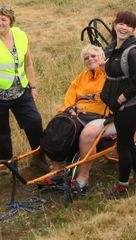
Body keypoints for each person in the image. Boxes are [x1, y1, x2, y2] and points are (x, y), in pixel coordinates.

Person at [0, 6, 47, 171]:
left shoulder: (20, 36)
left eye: (3, 20)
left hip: (20, 91)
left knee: (34, 122)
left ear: (11, 22)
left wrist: (33, 86)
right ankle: (5, 164)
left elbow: (28, 63)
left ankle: (39, 157)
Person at [45, 44, 113, 194]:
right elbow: (70, 96)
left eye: (94, 56)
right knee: (57, 125)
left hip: (100, 115)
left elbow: (113, 92)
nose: (90, 59)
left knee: (87, 135)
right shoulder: (82, 77)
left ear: (102, 57)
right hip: (78, 114)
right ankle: (58, 171)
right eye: (87, 58)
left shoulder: (109, 73)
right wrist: (69, 110)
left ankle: (83, 177)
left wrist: (105, 69)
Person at [102, 11, 136, 198]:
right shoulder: (113, 48)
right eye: (121, 23)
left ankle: (122, 186)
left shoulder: (132, 52)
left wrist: (118, 101)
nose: (124, 27)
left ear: (133, 29)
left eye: (129, 25)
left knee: (123, 146)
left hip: (129, 106)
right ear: (114, 24)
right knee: (128, 143)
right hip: (120, 106)